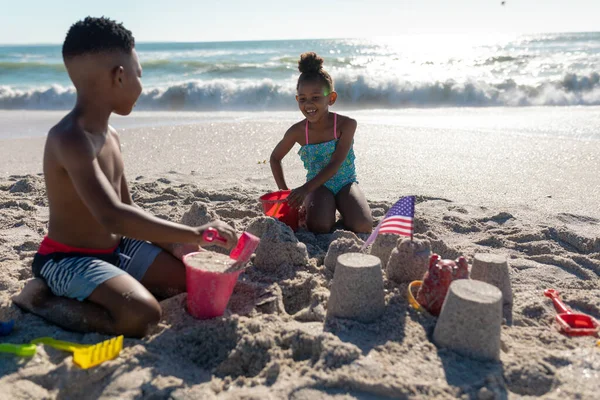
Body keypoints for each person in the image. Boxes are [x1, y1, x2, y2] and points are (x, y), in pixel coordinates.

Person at [12, 17, 237, 338]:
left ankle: (114, 281)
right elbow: (112, 216)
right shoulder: (70, 138)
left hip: (118, 248)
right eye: (139, 75)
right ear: (119, 76)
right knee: (142, 314)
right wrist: (193, 232)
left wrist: (173, 242)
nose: (142, 86)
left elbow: (128, 207)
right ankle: (39, 300)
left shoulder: (111, 135)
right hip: (68, 259)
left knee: (187, 280)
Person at [269, 52, 372, 234]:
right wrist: (286, 194)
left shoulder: (346, 125)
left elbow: (335, 163)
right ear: (297, 100)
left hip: (345, 182)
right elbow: (275, 158)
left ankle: (343, 209)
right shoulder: (297, 131)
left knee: (362, 225)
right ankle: (321, 209)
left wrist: (303, 189)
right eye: (303, 99)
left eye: (316, 97)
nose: (309, 104)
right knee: (320, 226)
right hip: (317, 187)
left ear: (331, 98)